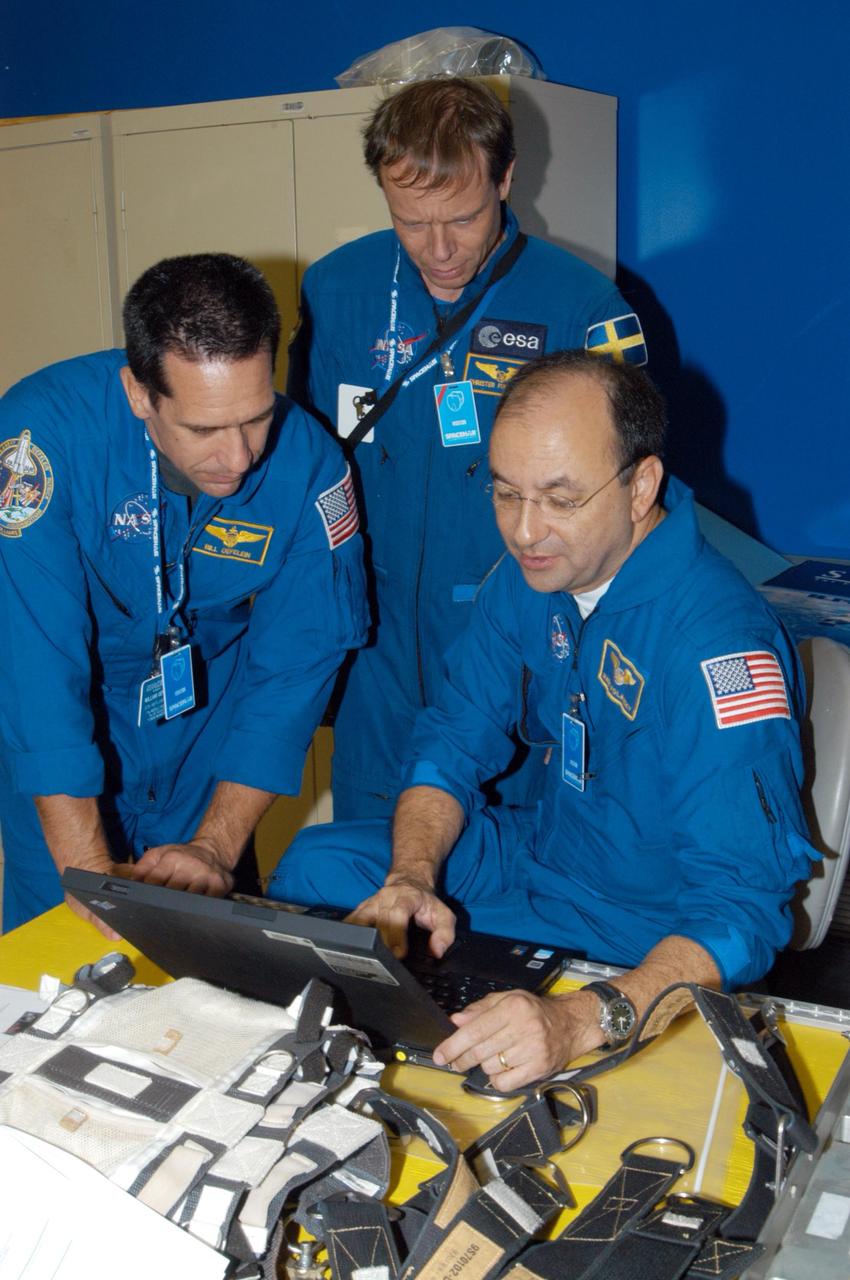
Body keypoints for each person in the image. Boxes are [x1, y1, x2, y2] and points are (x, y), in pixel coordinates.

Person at [270, 350, 818, 1088]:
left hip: (641, 925)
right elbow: (454, 736)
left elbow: (741, 912)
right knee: (317, 871)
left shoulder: (717, 647)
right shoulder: (538, 575)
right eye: (505, 493)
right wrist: (411, 876)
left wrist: (578, 1020)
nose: (526, 531)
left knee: (458, 1018)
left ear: (641, 486)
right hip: (542, 858)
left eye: (560, 499)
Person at [288, 77, 647, 820]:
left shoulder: (581, 310)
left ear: (507, 179)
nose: (440, 250)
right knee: (373, 874)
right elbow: (300, 467)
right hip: (375, 656)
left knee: (505, 891)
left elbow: (632, 513)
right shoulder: (336, 290)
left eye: (464, 217)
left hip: (517, 655)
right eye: (411, 222)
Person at [0, 253, 368, 933]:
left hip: (207, 734)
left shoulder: (309, 466)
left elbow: (295, 668)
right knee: (58, 961)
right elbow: (34, 667)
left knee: (209, 968)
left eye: (256, 418)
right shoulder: (38, 445)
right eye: (203, 429)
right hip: (65, 736)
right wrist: (84, 871)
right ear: (141, 394)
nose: (238, 458)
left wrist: (215, 844)